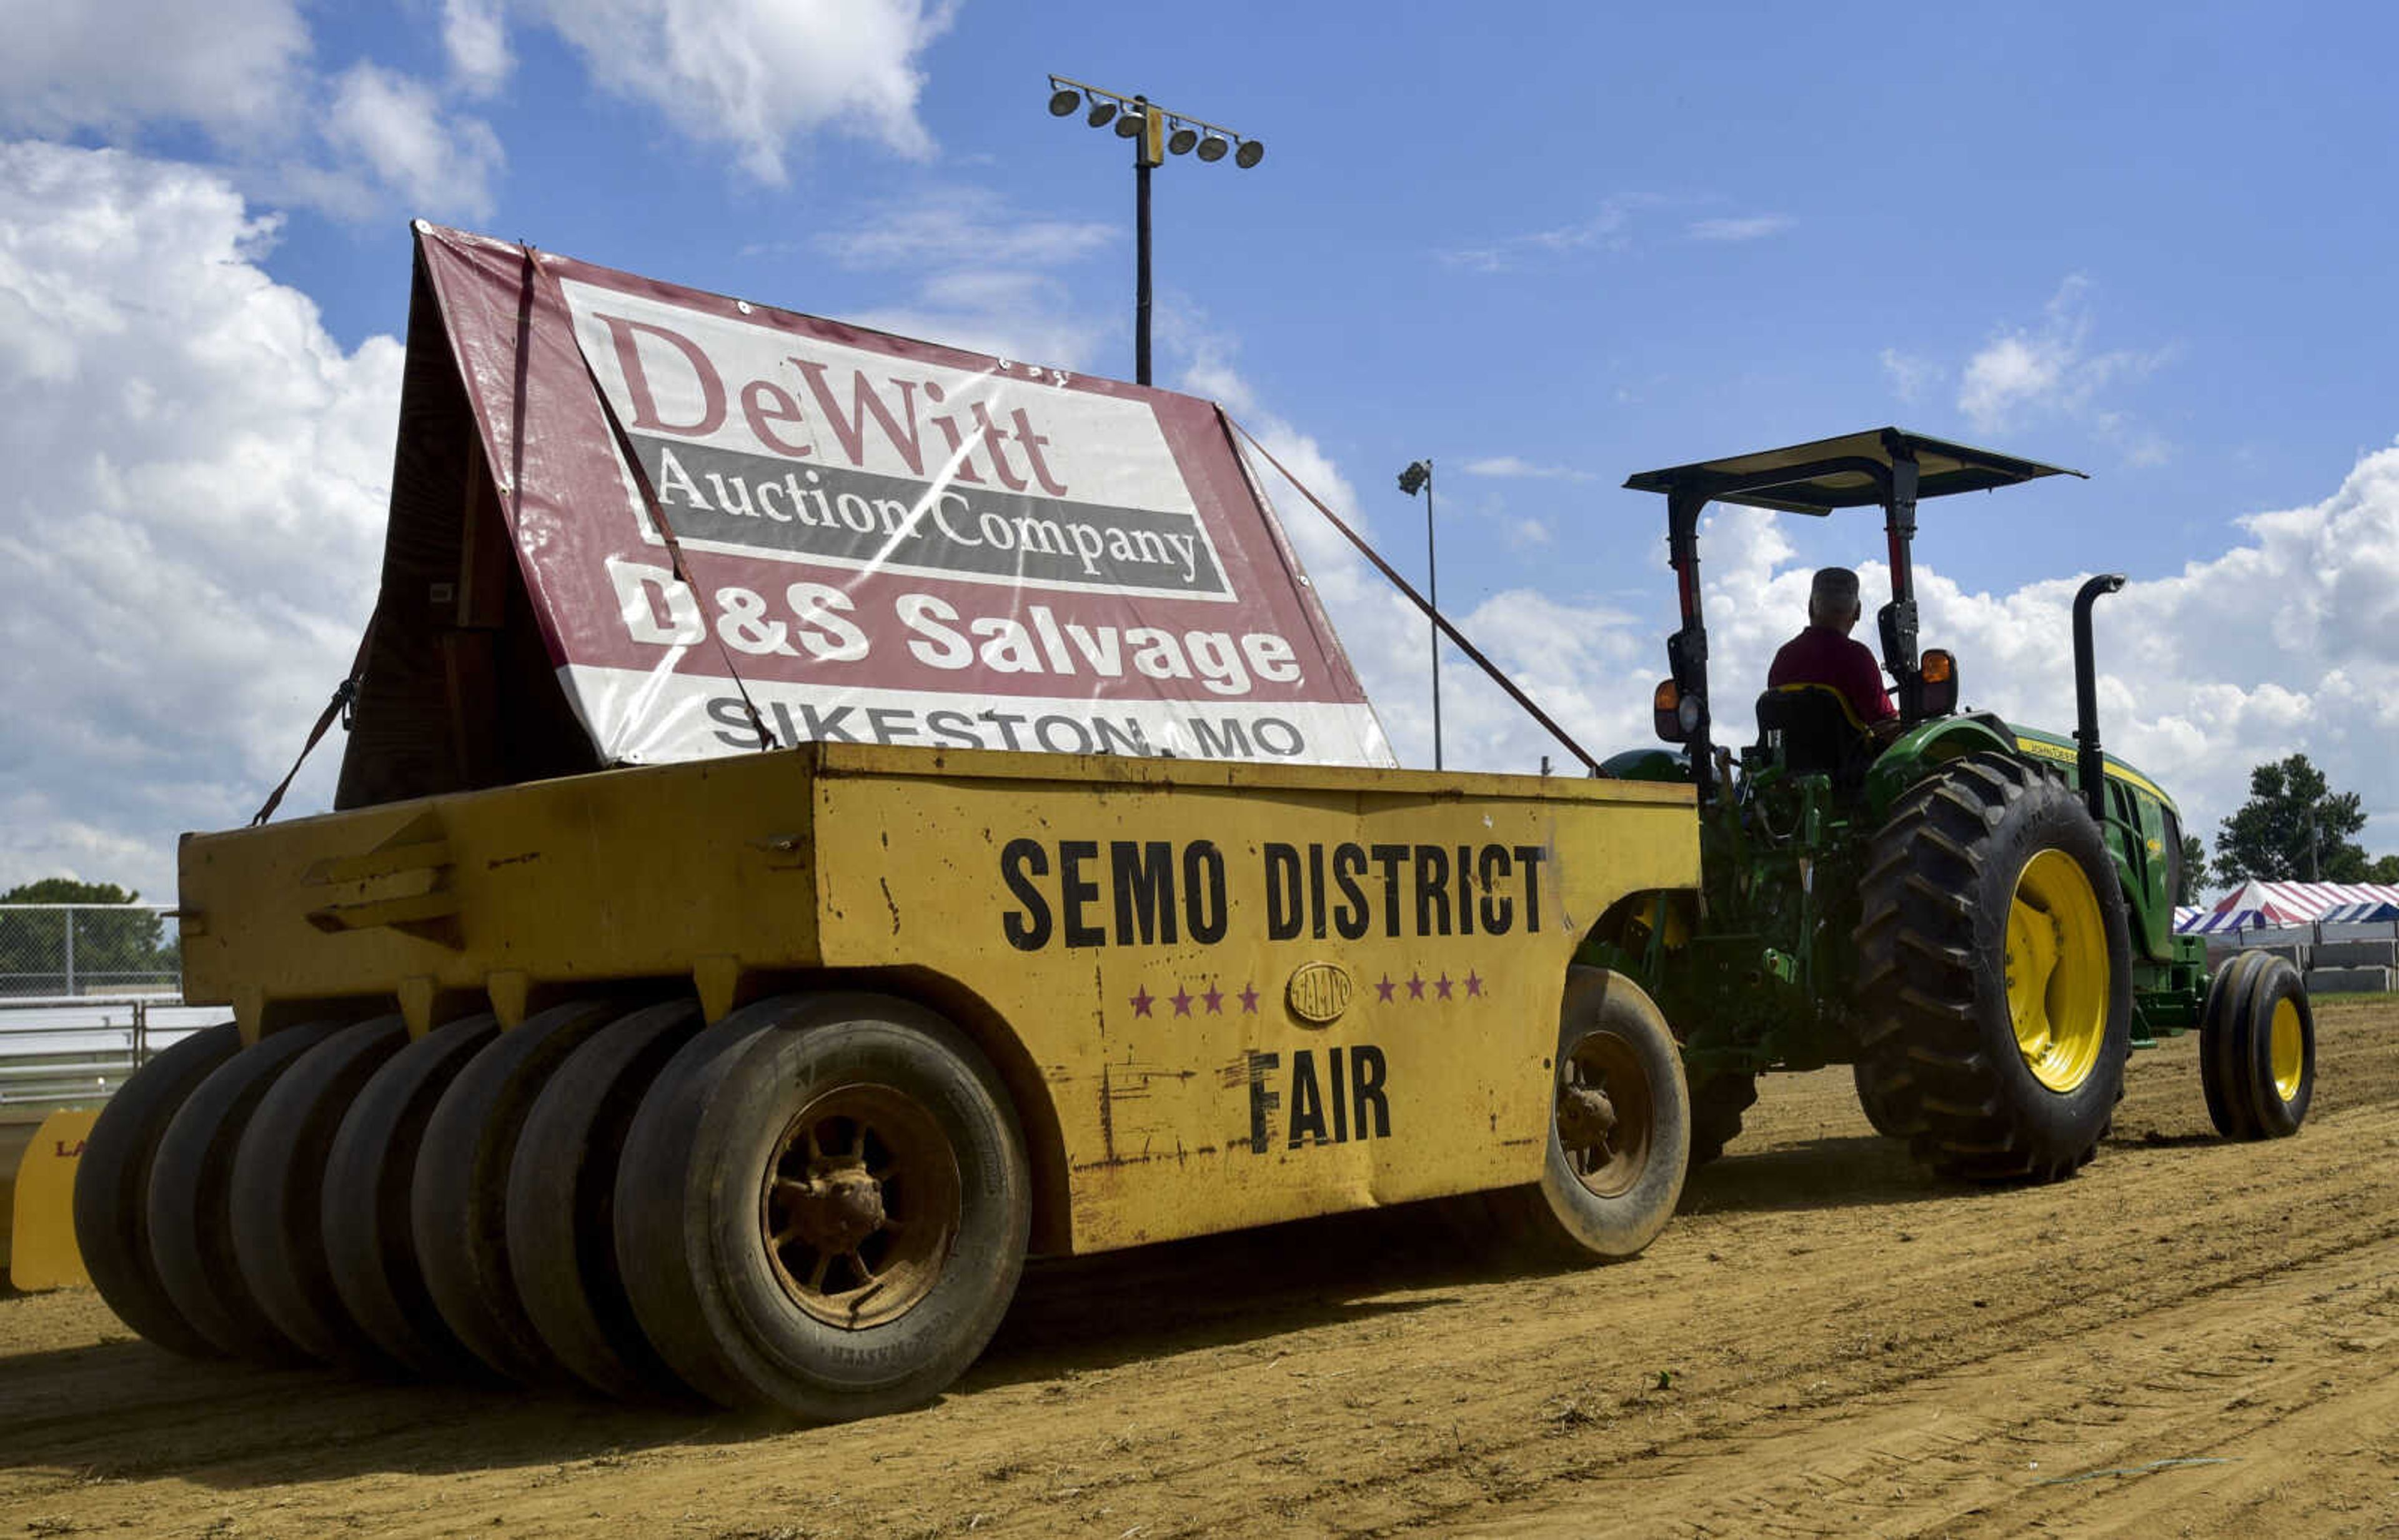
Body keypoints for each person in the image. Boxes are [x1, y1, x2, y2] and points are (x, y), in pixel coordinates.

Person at [1768, 567, 1897, 732]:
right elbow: (1886, 727)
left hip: (1789, 758)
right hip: (1848, 758)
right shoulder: (1857, 657)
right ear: (1858, 612)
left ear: (1810, 607)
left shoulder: (1784, 657)